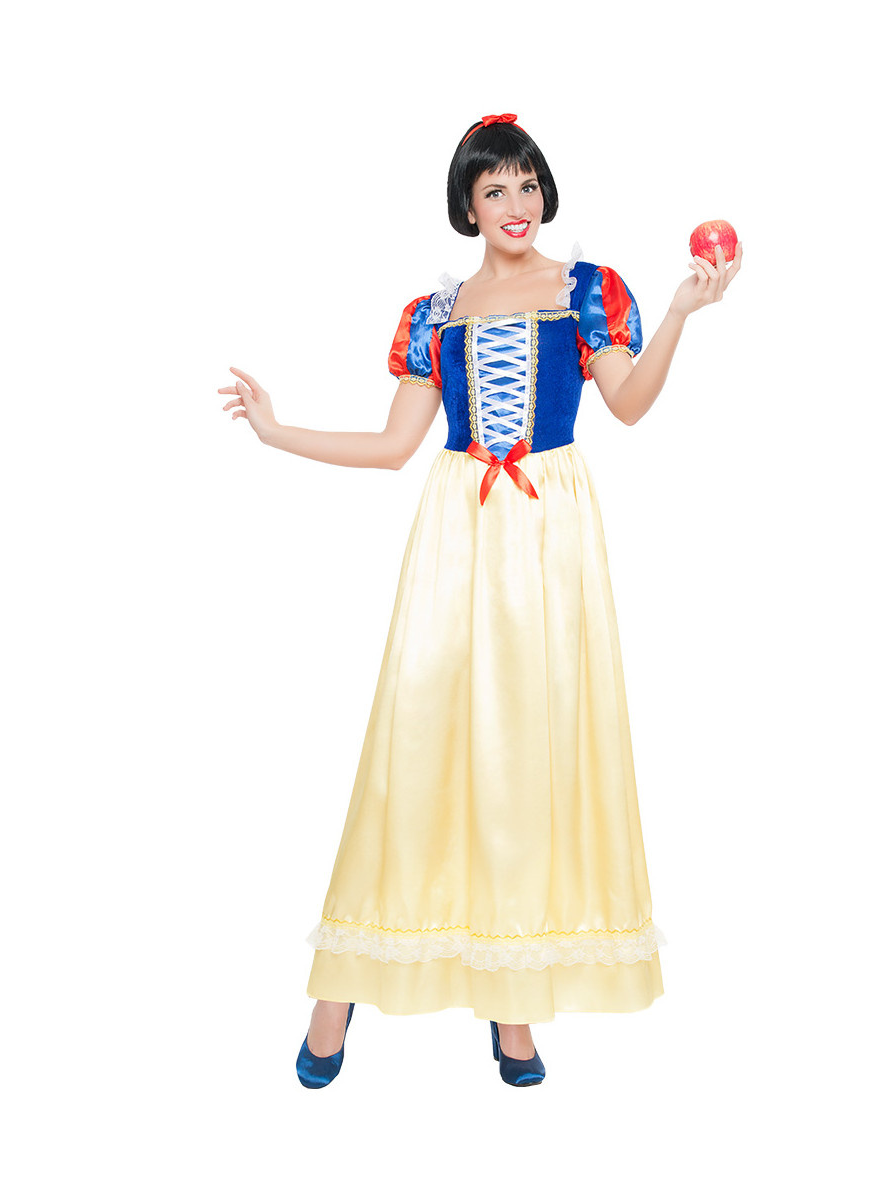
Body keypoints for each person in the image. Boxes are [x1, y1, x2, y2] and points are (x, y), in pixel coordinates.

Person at [219, 113, 741, 1087]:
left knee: (528, 760)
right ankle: (340, 989)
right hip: (457, 533)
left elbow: (628, 406)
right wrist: (277, 432)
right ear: (467, 205)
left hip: (549, 532)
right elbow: (392, 447)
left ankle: (514, 1004)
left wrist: (679, 312)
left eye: (527, 184)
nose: (515, 203)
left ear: (545, 193)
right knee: (409, 748)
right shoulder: (436, 312)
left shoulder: (586, 291)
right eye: (494, 188)